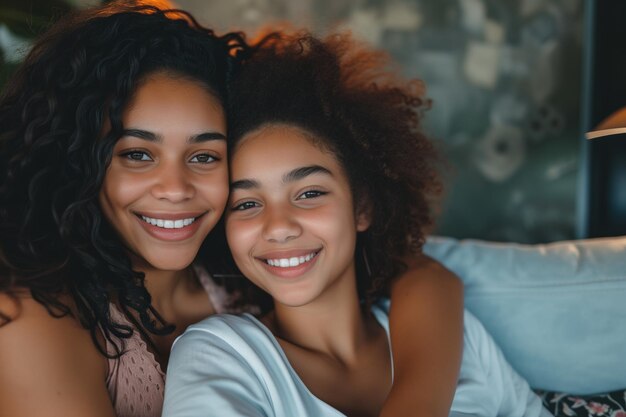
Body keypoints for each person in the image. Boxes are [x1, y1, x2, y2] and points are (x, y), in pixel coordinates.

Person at [0, 3, 464, 417]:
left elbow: (422, 273)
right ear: (80, 160)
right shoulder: (34, 318)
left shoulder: (247, 266)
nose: (176, 189)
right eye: (137, 154)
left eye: (204, 156)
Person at [162, 32, 552, 417]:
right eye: (246, 203)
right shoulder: (222, 355)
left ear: (362, 207)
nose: (278, 227)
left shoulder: (460, 338)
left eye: (310, 193)